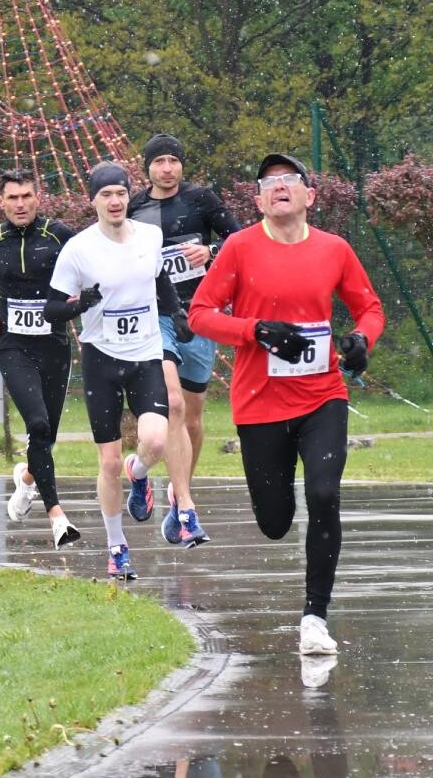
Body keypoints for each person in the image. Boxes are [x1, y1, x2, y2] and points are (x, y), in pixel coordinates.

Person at [189, 153, 384, 656]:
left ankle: (315, 617)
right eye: (269, 183)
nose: (280, 187)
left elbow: (369, 307)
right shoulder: (238, 248)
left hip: (323, 397)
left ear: (308, 196)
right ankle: (280, 510)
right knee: (275, 523)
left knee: (324, 496)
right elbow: (200, 315)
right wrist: (255, 331)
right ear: (257, 201)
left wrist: (362, 338)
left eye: (290, 180)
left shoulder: (334, 249)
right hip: (259, 405)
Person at [44, 162, 193, 579]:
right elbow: (52, 309)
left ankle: (139, 472)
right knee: (108, 462)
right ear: (93, 201)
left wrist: (177, 312)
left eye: (121, 193)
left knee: (156, 442)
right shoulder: (78, 249)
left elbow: (159, 278)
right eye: (106, 194)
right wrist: (80, 303)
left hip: (145, 353)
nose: (114, 201)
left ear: (130, 196)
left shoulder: (149, 235)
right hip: (101, 359)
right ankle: (117, 546)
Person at [128, 134, 240, 547]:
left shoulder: (202, 200)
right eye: (160, 162)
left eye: (174, 160)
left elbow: (239, 239)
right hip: (155, 316)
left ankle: (175, 493)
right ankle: (189, 507)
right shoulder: (135, 207)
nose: (168, 168)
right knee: (172, 404)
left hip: (199, 313)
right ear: (148, 168)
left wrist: (210, 251)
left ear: (182, 166)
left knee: (192, 418)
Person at [0, 168, 80, 549]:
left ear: (37, 198)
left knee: (48, 434)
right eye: (12, 198)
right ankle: (57, 517)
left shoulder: (60, 235)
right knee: (37, 425)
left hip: (55, 346)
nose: (19, 204)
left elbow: (87, 272)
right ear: (1, 202)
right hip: (13, 346)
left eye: (26, 196)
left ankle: (26, 482)